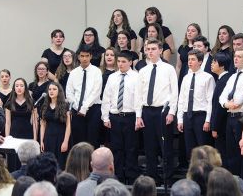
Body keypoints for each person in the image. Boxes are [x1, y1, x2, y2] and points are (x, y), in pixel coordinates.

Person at [135, 37, 178, 182]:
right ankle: (152, 175)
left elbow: (174, 92)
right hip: (147, 111)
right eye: (148, 49)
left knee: (165, 145)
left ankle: (168, 175)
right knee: (149, 145)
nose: (150, 52)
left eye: (153, 49)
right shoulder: (143, 71)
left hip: (162, 110)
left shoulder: (168, 68)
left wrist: (172, 112)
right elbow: (139, 94)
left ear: (160, 50)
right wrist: (138, 116)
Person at [101, 51, 140, 184]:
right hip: (115, 117)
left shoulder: (136, 77)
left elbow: (139, 99)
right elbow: (106, 97)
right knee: (117, 149)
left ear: (130, 62)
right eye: (119, 62)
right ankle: (118, 177)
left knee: (131, 148)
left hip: (130, 116)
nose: (120, 64)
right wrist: (105, 117)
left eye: (124, 62)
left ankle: (131, 177)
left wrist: (138, 117)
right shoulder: (112, 77)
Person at [219, 48, 243, 175]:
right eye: (235, 56)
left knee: (241, 149)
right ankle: (233, 179)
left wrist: (233, 104)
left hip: (242, 115)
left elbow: (242, 98)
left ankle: (242, 180)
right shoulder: (232, 76)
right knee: (230, 151)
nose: (236, 59)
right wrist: (226, 104)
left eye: (239, 57)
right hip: (230, 115)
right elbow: (222, 96)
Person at [177, 49, 215, 160]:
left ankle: (205, 174)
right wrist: (180, 119)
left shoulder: (208, 77)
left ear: (200, 61)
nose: (190, 62)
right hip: (187, 116)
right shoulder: (186, 77)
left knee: (203, 148)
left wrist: (208, 120)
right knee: (190, 149)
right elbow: (182, 99)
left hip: (200, 116)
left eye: (193, 59)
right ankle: (193, 173)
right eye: (189, 59)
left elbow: (210, 100)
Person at [66, 45, 102, 148]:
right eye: (82, 56)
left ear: (91, 56)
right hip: (76, 109)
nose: (84, 58)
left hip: (92, 108)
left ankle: (93, 163)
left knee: (92, 139)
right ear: (78, 57)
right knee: (78, 139)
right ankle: (79, 163)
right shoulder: (73, 73)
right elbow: (69, 92)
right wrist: (77, 107)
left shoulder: (96, 71)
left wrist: (84, 107)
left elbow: (96, 92)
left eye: (87, 56)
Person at [40, 82, 71, 169]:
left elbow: (68, 126)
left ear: (59, 91)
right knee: (48, 164)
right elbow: (43, 124)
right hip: (48, 138)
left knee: (60, 164)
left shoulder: (65, 106)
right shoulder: (44, 106)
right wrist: (41, 140)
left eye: (54, 89)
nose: (51, 91)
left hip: (60, 138)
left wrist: (65, 141)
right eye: (49, 89)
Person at [210, 53, 232, 166]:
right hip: (223, 124)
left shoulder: (224, 80)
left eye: (214, 62)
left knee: (222, 154)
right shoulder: (222, 79)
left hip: (222, 126)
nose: (211, 64)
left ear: (222, 65)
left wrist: (215, 127)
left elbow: (219, 107)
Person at [176, 23, 202, 89]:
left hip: (196, 74)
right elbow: (178, 66)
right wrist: (176, 79)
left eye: (193, 31)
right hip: (183, 74)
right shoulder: (182, 47)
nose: (189, 32)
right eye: (188, 30)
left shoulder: (200, 47)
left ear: (198, 33)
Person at [29, 61, 51, 131]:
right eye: (39, 69)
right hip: (34, 112)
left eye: (43, 69)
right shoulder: (31, 85)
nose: (41, 71)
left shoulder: (50, 84)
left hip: (46, 112)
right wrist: (34, 112)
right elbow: (29, 99)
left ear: (47, 71)